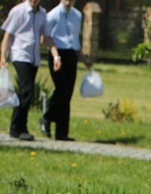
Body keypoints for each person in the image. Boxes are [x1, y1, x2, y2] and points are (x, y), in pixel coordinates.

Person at [1, 0, 61, 141]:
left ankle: (18, 127)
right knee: (26, 90)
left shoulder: (42, 14)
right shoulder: (18, 11)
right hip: (20, 54)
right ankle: (18, 128)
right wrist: (3, 56)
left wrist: (56, 56)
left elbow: (47, 37)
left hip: (34, 57)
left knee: (26, 91)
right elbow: (8, 36)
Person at [40, 0, 91, 141]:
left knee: (67, 93)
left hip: (71, 55)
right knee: (61, 89)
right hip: (56, 53)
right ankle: (47, 117)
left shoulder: (77, 16)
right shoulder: (52, 15)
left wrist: (83, 58)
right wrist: (56, 56)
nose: (68, 2)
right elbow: (44, 38)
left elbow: (75, 41)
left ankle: (62, 132)